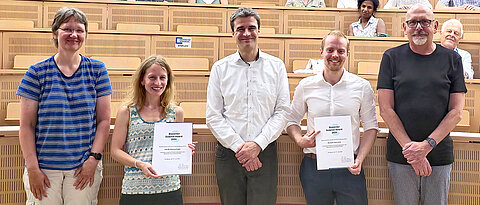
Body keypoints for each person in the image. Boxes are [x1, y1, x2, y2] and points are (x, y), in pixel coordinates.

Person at [17, 7, 112, 204]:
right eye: (67, 29)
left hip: (83, 167)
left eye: (79, 30)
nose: (74, 35)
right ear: (55, 33)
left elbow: (103, 121)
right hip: (43, 168)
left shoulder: (97, 70)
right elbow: (26, 126)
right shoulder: (36, 72)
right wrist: (32, 168)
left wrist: (93, 159)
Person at [377, 4, 466, 205]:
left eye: (424, 22)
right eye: (413, 22)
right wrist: (413, 152)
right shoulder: (391, 57)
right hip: (402, 154)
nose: (418, 27)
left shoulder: (453, 59)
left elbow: (456, 112)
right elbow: (385, 109)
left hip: (438, 153)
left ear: (435, 25)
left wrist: (426, 147)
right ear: (404, 26)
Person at [206, 7, 290, 205]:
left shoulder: (276, 66)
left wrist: (257, 145)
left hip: (264, 152)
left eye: (251, 28)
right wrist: (241, 148)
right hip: (229, 153)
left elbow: (282, 111)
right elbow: (213, 116)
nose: (246, 33)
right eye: (240, 28)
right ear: (232, 33)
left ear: (259, 31)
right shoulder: (220, 68)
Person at [285, 30, 378, 205]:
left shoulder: (362, 87)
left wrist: (360, 159)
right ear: (321, 52)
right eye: (330, 50)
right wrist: (300, 140)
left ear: (347, 54)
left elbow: (371, 127)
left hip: (350, 167)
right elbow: (291, 121)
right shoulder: (306, 86)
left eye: (341, 51)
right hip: (314, 166)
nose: (335, 55)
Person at [110, 55, 196, 205]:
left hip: (169, 188)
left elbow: (177, 149)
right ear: (142, 80)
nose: (158, 83)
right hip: (135, 189)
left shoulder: (176, 112)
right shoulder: (127, 112)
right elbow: (115, 151)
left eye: (162, 77)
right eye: (152, 77)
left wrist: (185, 150)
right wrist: (140, 164)